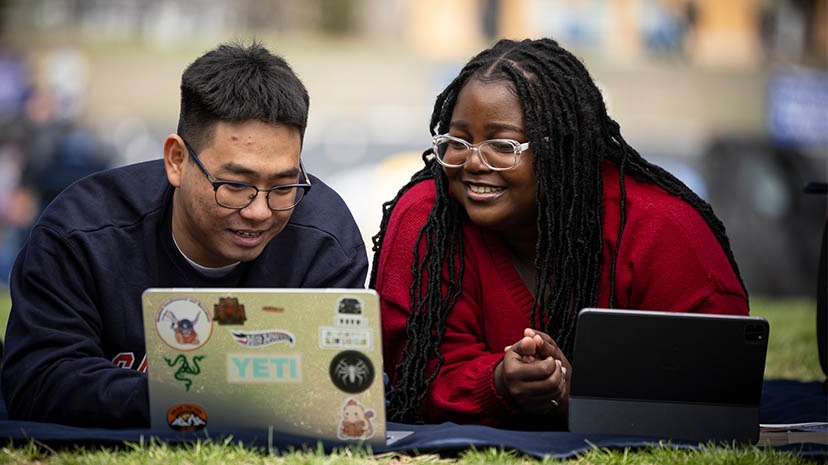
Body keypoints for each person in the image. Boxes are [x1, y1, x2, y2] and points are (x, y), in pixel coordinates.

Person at [371, 37, 749, 430]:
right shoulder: (427, 218)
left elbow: (717, 381)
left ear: (562, 148)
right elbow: (415, 373)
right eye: (458, 140)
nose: (473, 162)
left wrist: (581, 398)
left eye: (502, 144)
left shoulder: (662, 228)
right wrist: (498, 381)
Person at [2, 41, 369, 427]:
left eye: (283, 185)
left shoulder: (324, 240)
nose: (259, 210)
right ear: (177, 161)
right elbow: (38, 380)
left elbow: (338, 387)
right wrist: (203, 398)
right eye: (234, 184)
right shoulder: (83, 234)